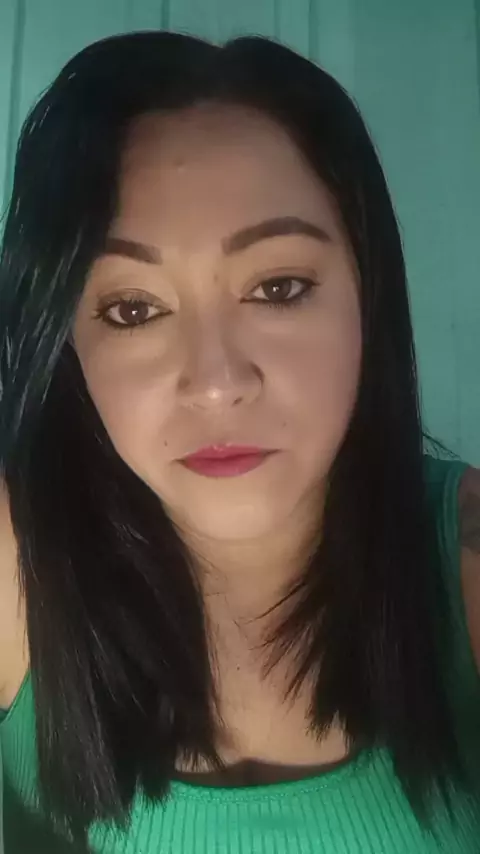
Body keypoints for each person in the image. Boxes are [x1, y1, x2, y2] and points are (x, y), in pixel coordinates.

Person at [0, 30, 479, 854]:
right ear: (68, 345)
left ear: (366, 296)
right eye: (133, 309)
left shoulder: (465, 563)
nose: (217, 383)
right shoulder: (19, 560)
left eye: (279, 287)